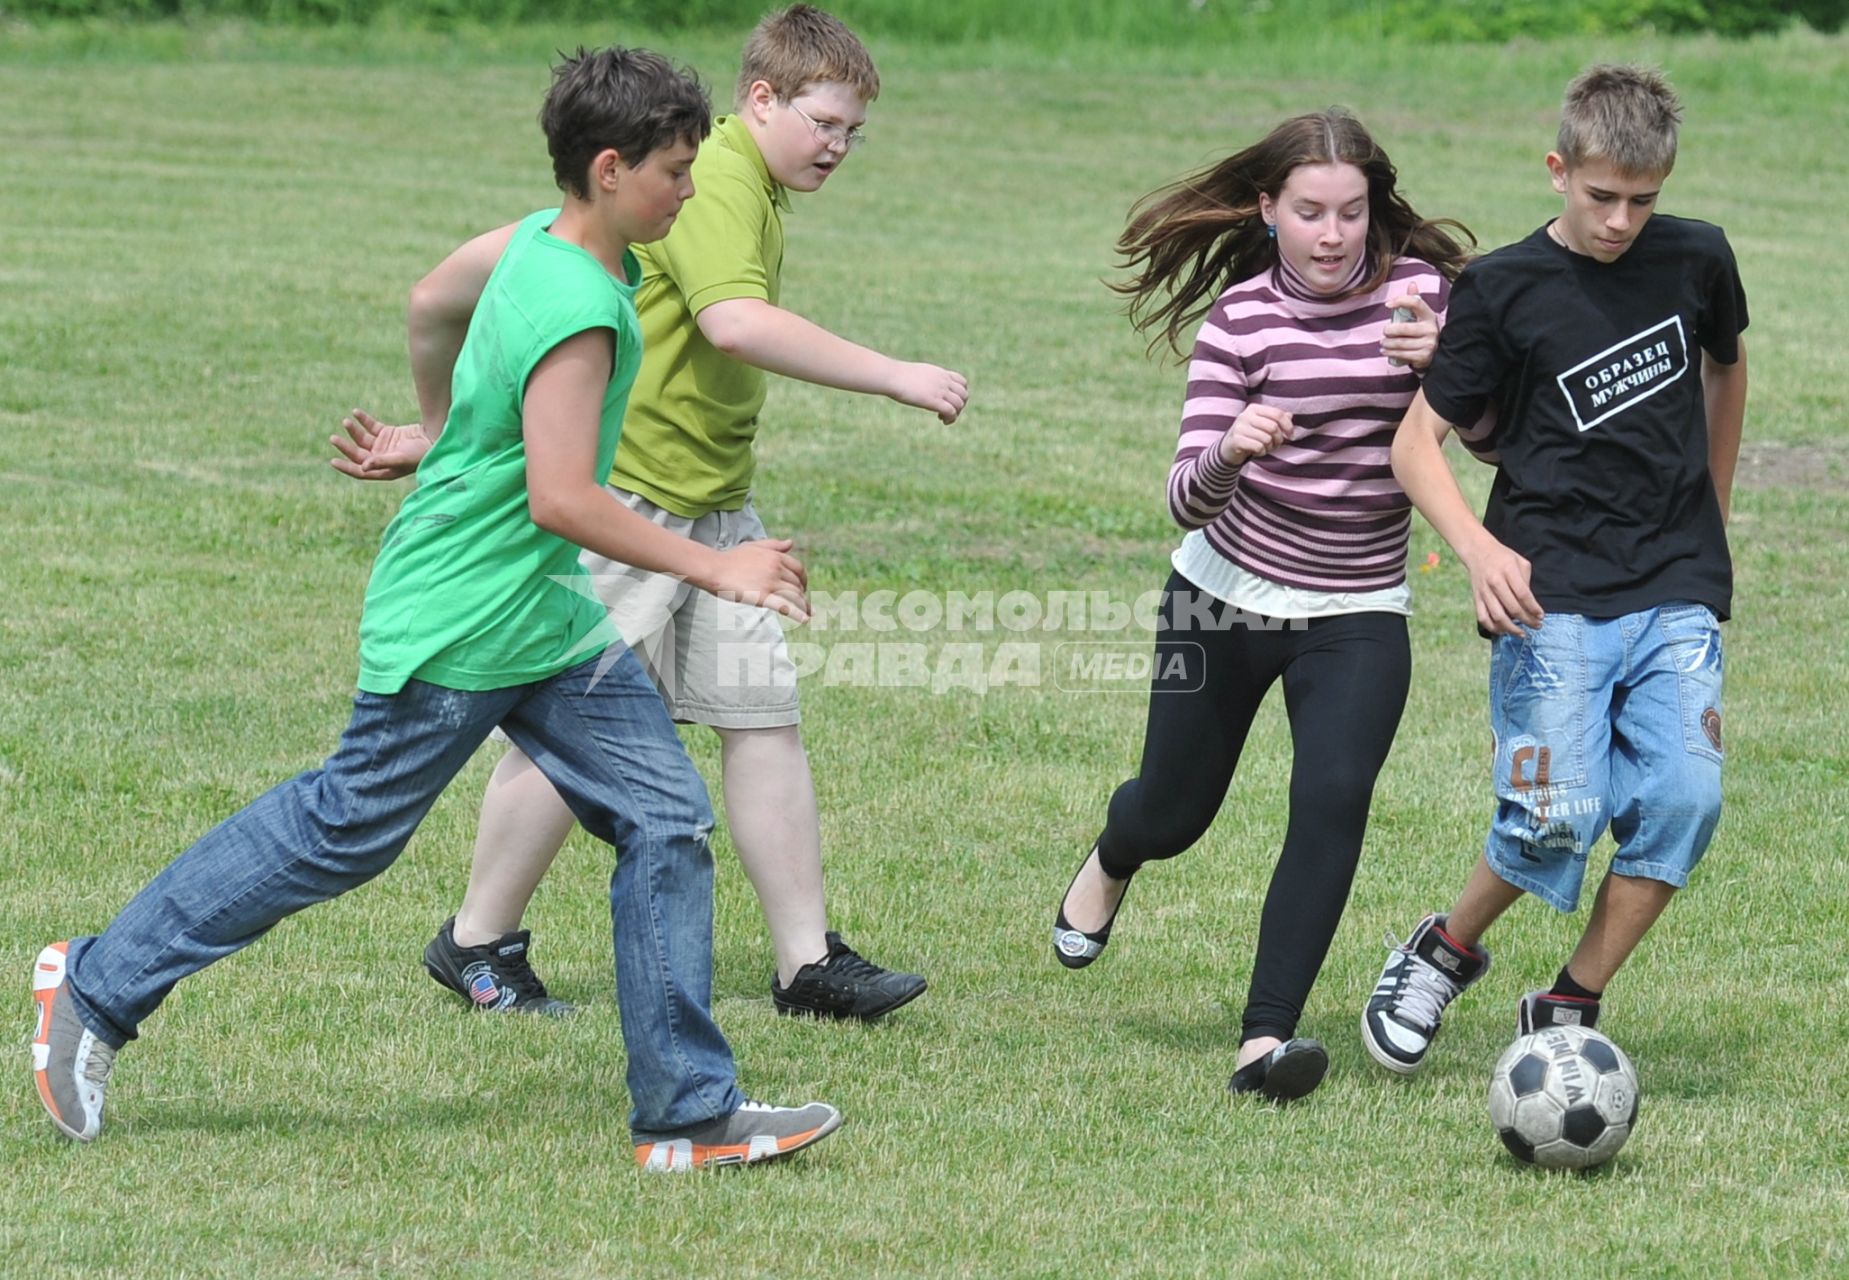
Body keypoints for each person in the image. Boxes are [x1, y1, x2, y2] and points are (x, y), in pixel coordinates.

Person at [33, 47, 841, 1171]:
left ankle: (687, 1111)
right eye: (672, 170)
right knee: (340, 829)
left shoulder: (533, 241)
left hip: (550, 627)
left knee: (664, 817)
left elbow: (430, 304)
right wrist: (721, 569)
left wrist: (446, 434)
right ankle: (94, 986)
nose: (690, 190)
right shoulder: (579, 308)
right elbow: (563, 497)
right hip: (467, 620)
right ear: (609, 170)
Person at [334, 5, 964, 1022]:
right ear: (760, 98)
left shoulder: (736, 183)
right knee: (565, 729)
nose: (839, 147)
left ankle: (808, 964)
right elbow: (732, 320)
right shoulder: (706, 179)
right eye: (825, 123)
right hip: (627, 502)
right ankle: (476, 938)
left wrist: (441, 429)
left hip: (714, 502)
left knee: (762, 719)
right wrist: (894, 374)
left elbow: (445, 289)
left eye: (854, 132)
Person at [1050, 110, 1476, 1102]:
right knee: (1174, 808)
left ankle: (1263, 1040)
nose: (1332, 234)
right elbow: (1181, 493)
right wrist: (1232, 448)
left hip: (1359, 604)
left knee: (1332, 798)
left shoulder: (1425, 300)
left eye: (1352, 213)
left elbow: (1495, 435)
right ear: (1267, 209)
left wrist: (1449, 372)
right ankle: (1116, 853)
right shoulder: (1240, 319)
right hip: (1223, 593)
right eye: (1309, 213)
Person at [1360, 64, 1749, 1074]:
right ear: (1557, 170)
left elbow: (1725, 362)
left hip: (1673, 578)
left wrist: (1713, 504)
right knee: (1555, 811)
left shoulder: (1696, 259)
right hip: (1552, 588)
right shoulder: (1500, 289)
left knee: (1681, 800)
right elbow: (1416, 446)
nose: (1622, 219)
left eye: (1642, 198)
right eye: (1600, 195)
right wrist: (1481, 549)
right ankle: (1440, 950)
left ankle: (1571, 995)